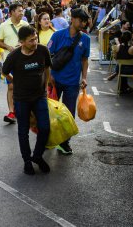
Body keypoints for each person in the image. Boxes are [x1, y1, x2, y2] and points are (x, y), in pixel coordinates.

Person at [2, 26, 52, 175]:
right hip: (21, 99)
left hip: (39, 96)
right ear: (22, 42)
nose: (35, 42)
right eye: (31, 41)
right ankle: (27, 161)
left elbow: (47, 69)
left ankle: (37, 156)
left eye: (35, 38)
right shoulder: (14, 56)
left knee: (45, 128)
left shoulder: (43, 50)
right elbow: (4, 72)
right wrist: (15, 82)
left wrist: (46, 87)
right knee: (23, 131)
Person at [48, 8, 91, 155]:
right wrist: (49, 76)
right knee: (49, 111)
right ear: (72, 19)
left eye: (85, 21)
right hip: (54, 80)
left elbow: (85, 60)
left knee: (68, 114)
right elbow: (47, 56)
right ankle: (48, 138)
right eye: (81, 20)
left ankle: (64, 142)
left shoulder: (85, 39)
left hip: (73, 83)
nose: (83, 23)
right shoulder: (58, 35)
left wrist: (84, 77)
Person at [0, 3, 29, 123]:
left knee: (25, 87)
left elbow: (33, 40)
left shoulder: (25, 25)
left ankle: (23, 110)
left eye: (22, 11)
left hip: (25, 61)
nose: (22, 13)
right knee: (11, 86)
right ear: (12, 12)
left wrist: (24, 45)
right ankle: (11, 112)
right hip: (9, 61)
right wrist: (9, 47)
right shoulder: (4, 26)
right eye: (19, 11)